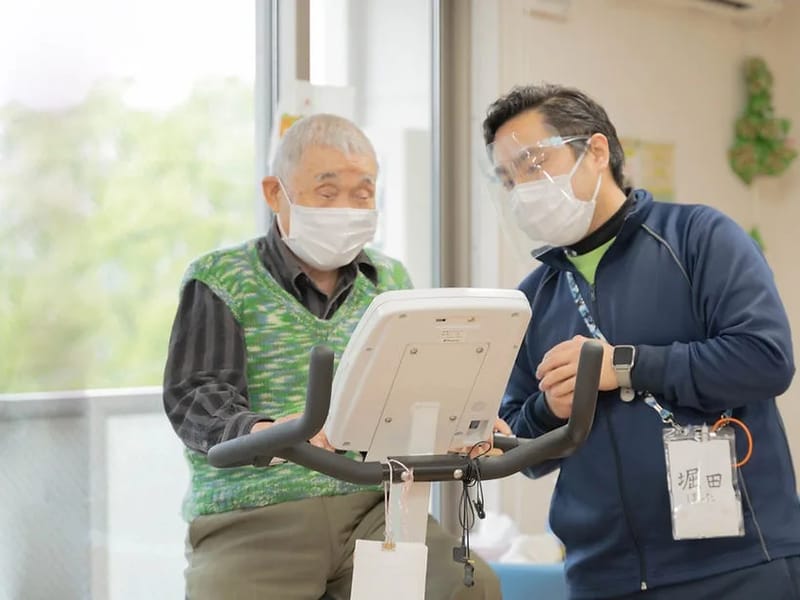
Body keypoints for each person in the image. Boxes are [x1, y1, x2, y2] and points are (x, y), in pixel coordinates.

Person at [163, 113, 502, 600]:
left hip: (373, 507)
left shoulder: (390, 280)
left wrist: (466, 424)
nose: (346, 206)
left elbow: (416, 388)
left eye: (363, 193)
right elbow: (195, 395)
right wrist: (262, 432)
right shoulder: (221, 278)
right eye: (327, 192)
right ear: (274, 193)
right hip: (254, 517)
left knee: (470, 587)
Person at [483, 84, 800, 599]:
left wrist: (624, 366)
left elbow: (766, 358)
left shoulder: (699, 237)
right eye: (506, 177)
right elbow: (525, 448)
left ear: (597, 151)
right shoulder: (533, 298)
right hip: (602, 577)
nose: (521, 186)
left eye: (533, 162)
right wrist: (547, 410)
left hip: (735, 566)